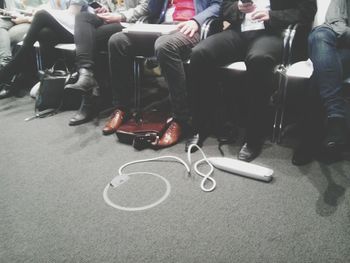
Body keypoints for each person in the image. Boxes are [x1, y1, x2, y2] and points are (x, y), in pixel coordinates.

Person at [187, 0, 317, 161]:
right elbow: (225, 8)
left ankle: (254, 136)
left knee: (259, 59)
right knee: (200, 53)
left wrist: (272, 15)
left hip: (274, 33)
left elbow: (307, 12)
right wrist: (238, 8)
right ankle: (201, 125)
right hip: (239, 32)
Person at [102, 0, 221, 148]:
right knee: (117, 41)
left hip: (189, 28)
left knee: (165, 45)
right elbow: (152, 9)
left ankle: (181, 118)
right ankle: (122, 108)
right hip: (160, 26)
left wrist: (196, 21)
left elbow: (218, 4)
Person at [64, 0, 149, 126]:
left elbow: (147, 6)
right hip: (109, 20)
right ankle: (86, 75)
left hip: (130, 22)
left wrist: (121, 16)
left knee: (89, 40)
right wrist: (105, 8)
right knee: (82, 17)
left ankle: (88, 96)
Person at [292, 0, 350, 165]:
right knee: (319, 34)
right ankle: (336, 121)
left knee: (321, 73)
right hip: (333, 45)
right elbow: (334, 21)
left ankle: (309, 141)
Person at [0, 0, 88, 99]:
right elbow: (53, 14)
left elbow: (72, 15)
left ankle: (12, 67)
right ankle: (49, 80)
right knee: (44, 33)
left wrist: (29, 18)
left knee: (41, 15)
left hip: (80, 30)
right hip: (63, 30)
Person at [0, 0, 46, 91]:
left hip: (30, 21)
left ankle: (6, 68)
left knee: (6, 39)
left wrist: (24, 18)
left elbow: (44, 13)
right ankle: (7, 70)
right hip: (10, 19)